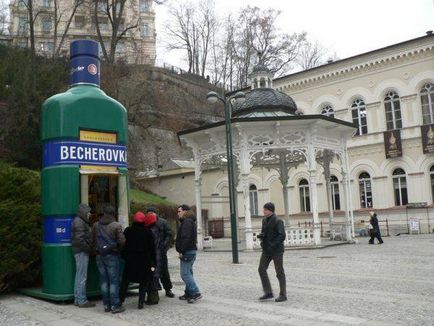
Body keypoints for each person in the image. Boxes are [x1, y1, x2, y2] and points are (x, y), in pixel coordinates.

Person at [93, 205, 126, 313]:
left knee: (103, 281)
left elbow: (92, 239)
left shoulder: (96, 225)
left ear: (104, 213)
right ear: (113, 214)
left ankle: (106, 305)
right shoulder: (116, 225)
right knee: (114, 281)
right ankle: (115, 306)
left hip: (99, 255)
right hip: (112, 255)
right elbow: (122, 241)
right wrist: (117, 249)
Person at [120, 211, 156, 309]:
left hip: (130, 261)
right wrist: (153, 262)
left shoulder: (128, 230)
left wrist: (124, 256)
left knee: (125, 281)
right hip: (144, 261)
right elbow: (152, 248)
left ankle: (120, 300)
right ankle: (140, 303)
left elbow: (123, 246)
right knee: (143, 282)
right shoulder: (148, 232)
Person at [257, 202, 287, 302]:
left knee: (279, 272)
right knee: (261, 269)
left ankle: (283, 294)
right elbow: (264, 232)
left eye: (265, 209)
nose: (263, 211)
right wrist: (261, 236)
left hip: (277, 251)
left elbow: (282, 235)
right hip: (266, 250)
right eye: (263, 209)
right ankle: (268, 292)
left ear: (270, 210)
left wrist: (273, 244)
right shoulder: (264, 220)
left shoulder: (278, 221)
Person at [176, 204, 202, 304]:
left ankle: (195, 292)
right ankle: (188, 293)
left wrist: (181, 251)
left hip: (187, 251)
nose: (177, 213)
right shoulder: (189, 221)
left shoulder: (187, 222)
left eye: (179, 211)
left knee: (185, 274)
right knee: (188, 272)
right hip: (190, 250)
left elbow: (185, 238)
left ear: (185, 211)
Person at [71, 203, 95, 308]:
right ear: (84, 212)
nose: (90, 214)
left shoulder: (79, 221)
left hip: (79, 250)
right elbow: (80, 239)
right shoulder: (80, 222)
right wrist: (88, 248)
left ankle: (78, 299)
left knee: (79, 275)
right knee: (82, 276)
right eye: (88, 212)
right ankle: (81, 300)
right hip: (81, 251)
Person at [147, 207, 175, 298]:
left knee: (164, 271)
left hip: (161, 250)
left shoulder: (163, 222)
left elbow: (169, 234)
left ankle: (168, 289)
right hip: (151, 251)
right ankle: (154, 290)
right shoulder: (146, 222)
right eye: (148, 213)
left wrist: (165, 245)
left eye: (151, 213)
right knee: (152, 271)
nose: (150, 214)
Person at [143, 211, 162, 305]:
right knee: (154, 276)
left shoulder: (151, 231)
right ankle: (154, 297)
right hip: (157, 255)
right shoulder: (157, 228)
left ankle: (153, 298)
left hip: (153, 256)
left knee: (152, 277)